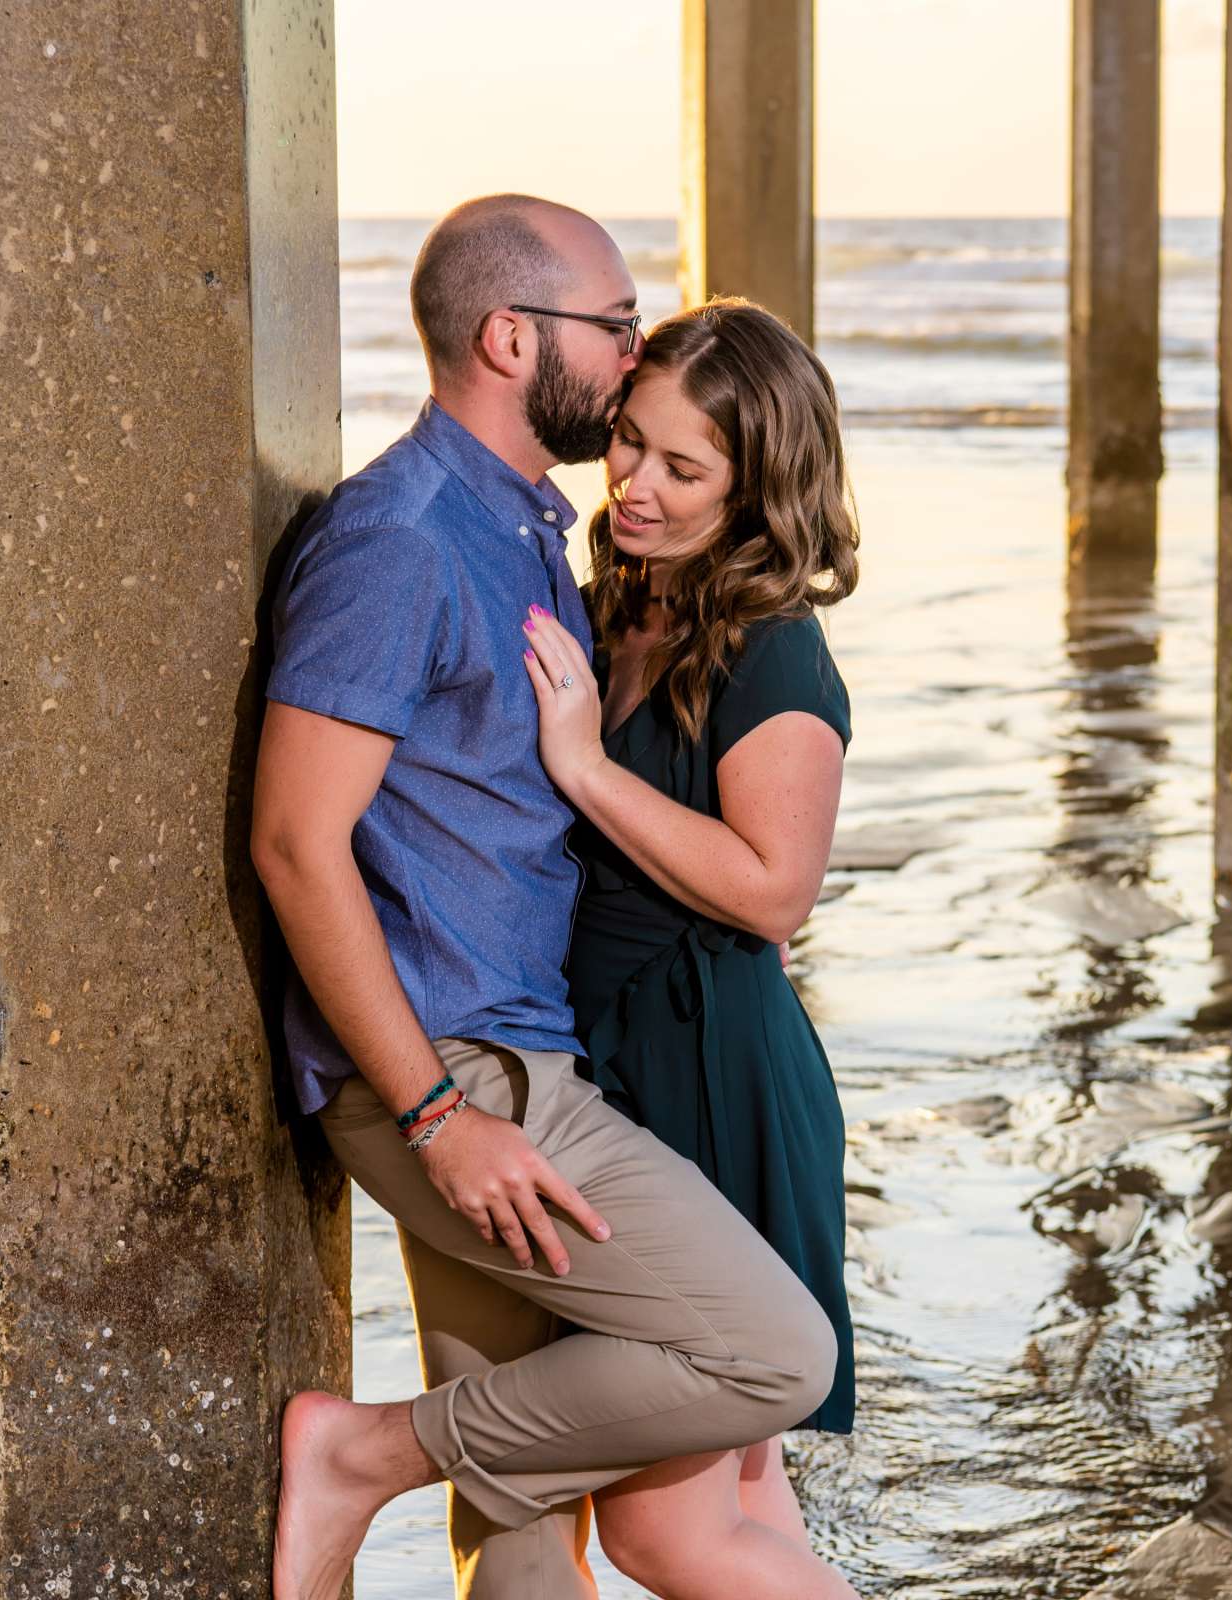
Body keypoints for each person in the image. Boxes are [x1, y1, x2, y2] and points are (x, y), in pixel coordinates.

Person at [254, 196, 836, 1600]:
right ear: (514, 337)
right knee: (769, 1357)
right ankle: (361, 1456)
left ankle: (377, 1455)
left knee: (526, 1512)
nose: (636, 355)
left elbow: (768, 888)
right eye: (618, 326)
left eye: (676, 456)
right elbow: (294, 843)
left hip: (565, 1060)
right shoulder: (407, 540)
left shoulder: (532, 537)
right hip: (472, 1072)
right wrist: (441, 1113)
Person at [518, 299, 862, 1593]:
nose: (636, 487)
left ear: (758, 486)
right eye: (629, 444)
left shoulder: (773, 652)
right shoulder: (624, 600)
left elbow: (778, 893)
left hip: (713, 1084)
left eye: (684, 468)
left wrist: (580, 768)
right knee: (742, 1493)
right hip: (619, 1070)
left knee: (664, 1527)